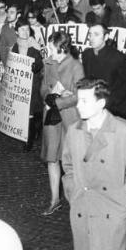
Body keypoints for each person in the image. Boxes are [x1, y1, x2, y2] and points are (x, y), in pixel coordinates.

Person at [62, 78, 126, 250]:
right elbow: (68, 166)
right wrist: (73, 192)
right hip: (84, 207)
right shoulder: (74, 131)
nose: (78, 106)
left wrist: (124, 201)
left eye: (84, 101)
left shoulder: (123, 131)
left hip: (113, 214)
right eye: (78, 100)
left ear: (101, 103)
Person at [40, 31, 84, 216]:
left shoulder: (76, 66)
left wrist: (59, 100)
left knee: (71, 160)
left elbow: (79, 95)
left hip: (68, 118)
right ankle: (54, 200)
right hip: (51, 116)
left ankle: (77, 201)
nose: (48, 50)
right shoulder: (48, 62)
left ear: (62, 47)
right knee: (52, 158)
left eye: (51, 47)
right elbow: (43, 87)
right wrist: (48, 95)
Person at [82, 24, 126, 123]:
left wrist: (112, 99)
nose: (91, 38)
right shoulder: (86, 55)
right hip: (94, 106)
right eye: (90, 34)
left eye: (96, 34)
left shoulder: (118, 57)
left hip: (115, 109)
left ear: (106, 37)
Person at [10, 18, 44, 151]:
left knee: (33, 110)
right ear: (16, 32)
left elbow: (42, 60)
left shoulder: (35, 45)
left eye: (27, 29)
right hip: (22, 84)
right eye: (22, 29)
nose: (25, 32)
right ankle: (28, 136)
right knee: (26, 112)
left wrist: (37, 66)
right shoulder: (16, 46)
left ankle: (33, 134)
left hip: (34, 82)